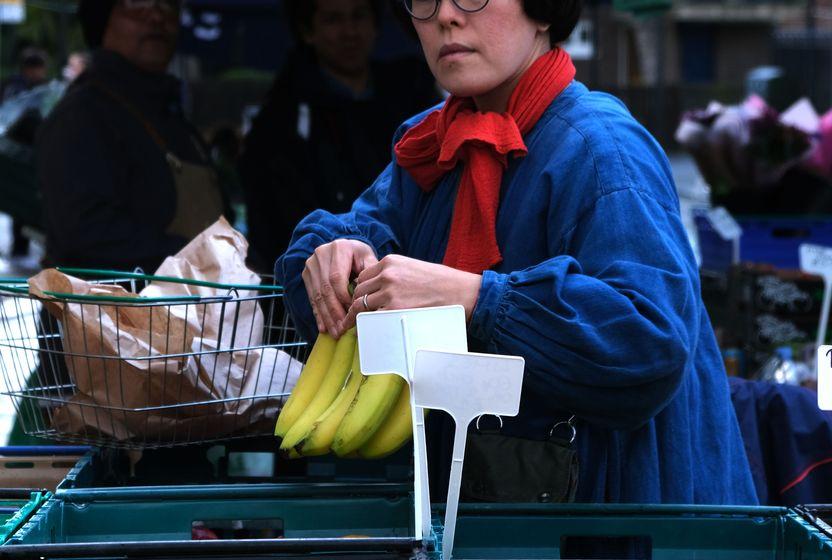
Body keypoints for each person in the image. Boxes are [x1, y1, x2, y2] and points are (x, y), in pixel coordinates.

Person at [277, 0, 758, 505]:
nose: (446, 16)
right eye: (425, 0)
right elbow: (368, 226)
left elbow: (648, 342)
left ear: (544, 10)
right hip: (489, 508)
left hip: (620, 517)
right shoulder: (431, 141)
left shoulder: (603, 150)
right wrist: (334, 251)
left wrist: (478, 298)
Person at [238, 0, 440, 272]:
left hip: (412, 266)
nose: (349, 31)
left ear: (375, 25)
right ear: (308, 31)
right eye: (333, 19)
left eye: (359, 16)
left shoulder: (413, 94)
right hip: (322, 272)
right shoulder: (281, 118)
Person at [36, 0, 225, 272]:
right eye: (136, 4)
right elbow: (83, 234)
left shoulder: (172, 115)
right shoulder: (81, 115)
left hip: (204, 309)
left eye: (167, 5)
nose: (156, 15)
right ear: (102, 21)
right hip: (105, 313)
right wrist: (194, 257)